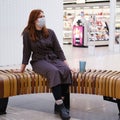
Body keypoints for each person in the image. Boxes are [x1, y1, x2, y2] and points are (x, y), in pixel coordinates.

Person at [14, 9, 72, 120]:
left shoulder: (50, 32)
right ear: (34, 19)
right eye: (40, 16)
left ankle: (59, 102)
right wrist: (22, 69)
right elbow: (26, 52)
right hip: (39, 61)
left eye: (43, 16)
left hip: (53, 58)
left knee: (66, 70)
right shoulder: (27, 33)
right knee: (53, 72)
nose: (42, 18)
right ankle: (61, 107)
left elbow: (58, 50)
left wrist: (67, 65)